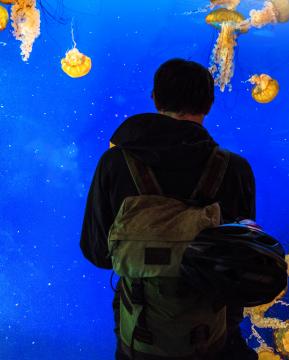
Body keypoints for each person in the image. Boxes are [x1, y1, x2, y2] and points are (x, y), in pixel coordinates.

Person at [80, 58, 258, 359]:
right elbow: (246, 259)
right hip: (214, 338)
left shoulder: (115, 164)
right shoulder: (236, 170)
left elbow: (98, 253)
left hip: (141, 337)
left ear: (155, 98)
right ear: (209, 104)